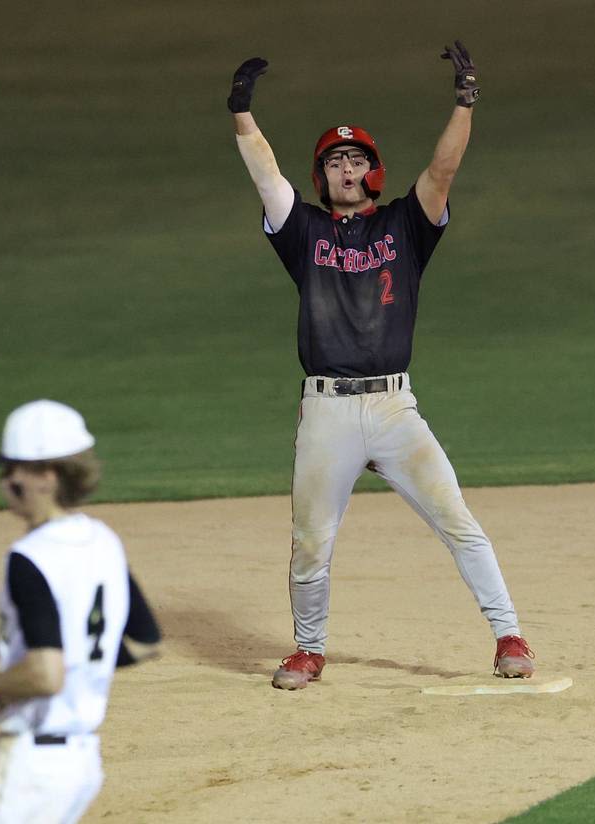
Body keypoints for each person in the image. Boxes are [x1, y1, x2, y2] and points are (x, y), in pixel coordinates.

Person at [226, 43, 536, 690]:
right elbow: (265, 178)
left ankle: (509, 633)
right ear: (322, 176)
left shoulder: (405, 223)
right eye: (336, 160)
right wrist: (243, 116)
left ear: (374, 170)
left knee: (458, 521)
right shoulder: (302, 232)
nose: (346, 168)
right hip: (329, 409)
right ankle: (309, 649)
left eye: (356, 159)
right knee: (311, 542)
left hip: (395, 409)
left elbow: (444, 171)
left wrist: (464, 103)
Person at [0, 399, 160, 823]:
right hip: (81, 765)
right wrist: (75, 658)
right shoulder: (103, 540)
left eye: (12, 471)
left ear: (46, 475)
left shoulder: (29, 557)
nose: (4, 482)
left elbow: (45, 676)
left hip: (30, 769)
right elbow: (143, 642)